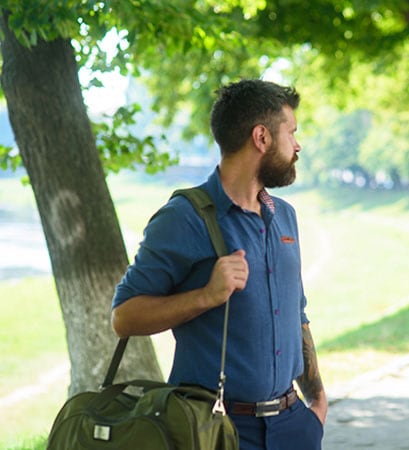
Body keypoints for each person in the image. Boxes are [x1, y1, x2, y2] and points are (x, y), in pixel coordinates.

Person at [111, 79, 327, 450]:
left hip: (294, 427)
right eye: (291, 132)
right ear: (261, 137)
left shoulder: (285, 217)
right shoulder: (183, 218)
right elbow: (124, 317)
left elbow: (298, 315)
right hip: (216, 431)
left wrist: (317, 403)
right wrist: (206, 296)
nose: (297, 144)